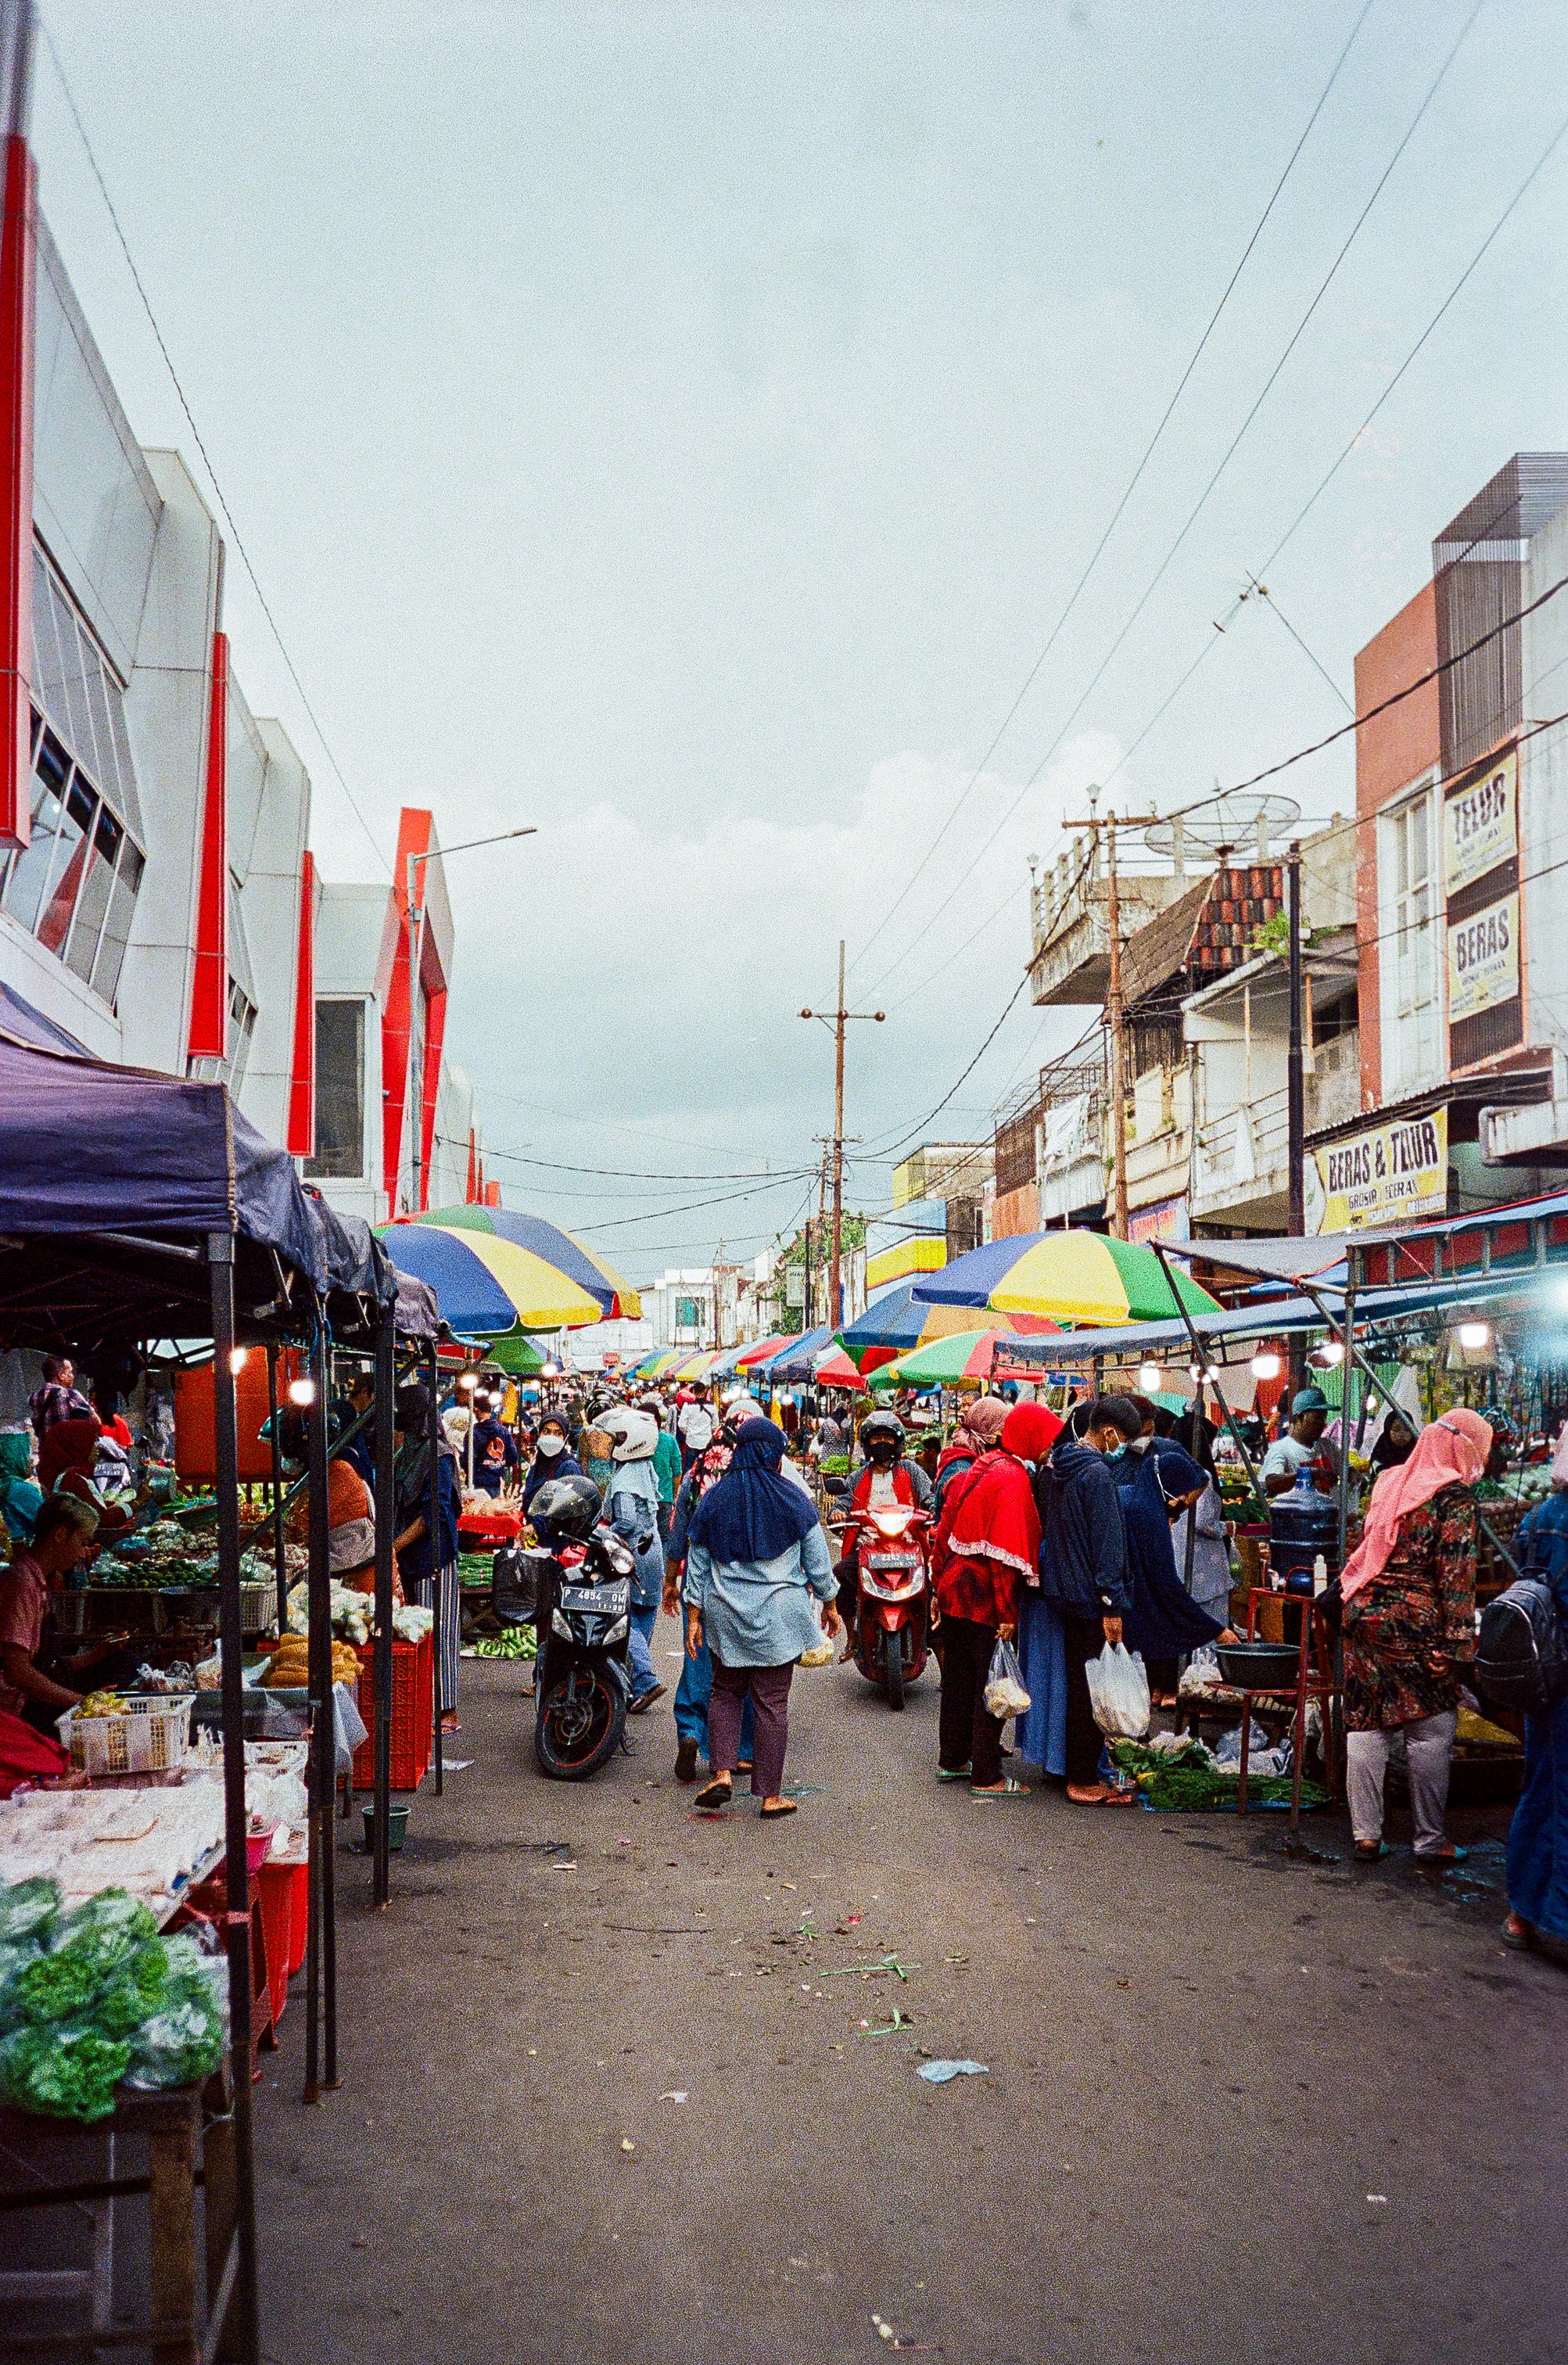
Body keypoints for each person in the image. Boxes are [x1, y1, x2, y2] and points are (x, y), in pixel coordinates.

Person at [1338, 1406, 1491, 1865]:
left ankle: (1366, 1835)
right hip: (1415, 1621)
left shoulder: (1389, 1481)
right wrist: (1458, 1645)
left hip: (1361, 1610)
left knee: (1367, 1720)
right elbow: (1456, 1574)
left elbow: (1364, 1543)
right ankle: (1429, 1840)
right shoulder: (1452, 1497)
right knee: (1431, 1727)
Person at [681, 1418, 839, 1818]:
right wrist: (831, 1604)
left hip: (725, 1613)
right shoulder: (793, 1499)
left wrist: (695, 1615)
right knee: (771, 1702)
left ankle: (721, 1775)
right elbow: (819, 1562)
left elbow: (697, 1565)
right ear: (773, 1453)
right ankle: (770, 1796)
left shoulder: (714, 1499)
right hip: (779, 1616)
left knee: (725, 1691)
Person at [931, 1401, 1061, 1796]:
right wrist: (1007, 1611)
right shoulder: (1012, 1478)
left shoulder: (981, 1465)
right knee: (992, 1683)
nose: (1049, 1448)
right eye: (1046, 1440)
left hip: (956, 1586)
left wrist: (938, 1584)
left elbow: (945, 1525)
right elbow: (1004, 1551)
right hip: (984, 1594)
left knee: (958, 1680)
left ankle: (953, 1759)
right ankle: (986, 1775)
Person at [1035, 1395, 1143, 1806]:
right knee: (1090, 1688)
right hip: (1089, 1596)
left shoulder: (1058, 1465)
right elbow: (1109, 1546)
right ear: (1110, 1433)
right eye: (1123, 1440)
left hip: (1062, 1588)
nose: (1122, 1448)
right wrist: (1112, 1605)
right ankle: (1082, 1778)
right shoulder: (1096, 1474)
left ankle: (1073, 1768)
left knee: (1077, 1681)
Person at [664, 1396, 760, 1782]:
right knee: (746, 1665)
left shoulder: (696, 1473)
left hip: (700, 1581)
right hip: (749, 1584)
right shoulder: (763, 1477)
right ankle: (743, 1750)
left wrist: (671, 1581)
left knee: (698, 1658)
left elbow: (677, 1537)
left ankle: (691, 1731)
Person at [1505, 1424, 1568, 1954]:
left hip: (1541, 1676)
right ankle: (1559, 1921)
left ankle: (1522, 1912)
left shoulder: (1542, 1515)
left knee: (1540, 1787)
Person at [1117, 1441, 1236, 1708]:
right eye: (1184, 1502)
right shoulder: (1149, 1516)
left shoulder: (1130, 1496)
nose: (1180, 1510)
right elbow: (1167, 1583)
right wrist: (1215, 1630)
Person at [0, 1495, 123, 1728]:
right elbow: (17, 1672)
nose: (82, 1553)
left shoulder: (37, 1581)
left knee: (122, 1664)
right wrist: (83, 1703)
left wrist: (98, 1654)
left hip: (32, 1697)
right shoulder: (22, 1582)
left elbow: (46, 1664)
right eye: (82, 1542)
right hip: (17, 1710)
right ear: (59, 1535)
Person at [264, 1407, 396, 1598]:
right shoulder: (324, 1471)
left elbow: (296, 1527)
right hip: (346, 1569)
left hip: (363, 1578)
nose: (282, 1456)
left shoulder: (337, 1472)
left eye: (284, 1448)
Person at [834, 1410, 934, 1660]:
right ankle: (852, 1636)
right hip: (870, 1544)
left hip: (909, 1543)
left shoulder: (911, 1470)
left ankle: (929, 1639)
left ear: (897, 1442)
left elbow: (929, 1498)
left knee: (931, 1585)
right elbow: (843, 1501)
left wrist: (933, 1510)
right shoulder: (858, 1476)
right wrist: (836, 1512)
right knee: (840, 1575)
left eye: (887, 1438)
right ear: (867, 1444)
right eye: (876, 1438)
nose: (882, 1443)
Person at [393, 1385, 463, 1733]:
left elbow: (434, 1513)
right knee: (415, 1633)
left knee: (443, 1631)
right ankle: (422, 1704)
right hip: (407, 1556)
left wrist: (394, 1546)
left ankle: (447, 1709)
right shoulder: (406, 1452)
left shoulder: (439, 1455)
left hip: (436, 1555)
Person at [598, 1405, 667, 1713]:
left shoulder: (626, 1476)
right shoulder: (646, 1469)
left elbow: (625, 1521)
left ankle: (645, 1679)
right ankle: (634, 1684)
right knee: (643, 1616)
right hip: (653, 1551)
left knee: (623, 1618)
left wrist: (603, 1537)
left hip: (633, 1553)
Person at [1170, 1409, 1235, 1634]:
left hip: (1176, 1561)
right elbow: (1204, 1521)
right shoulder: (1200, 1476)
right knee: (1209, 1633)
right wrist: (1228, 1527)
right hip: (1204, 1569)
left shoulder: (1166, 1471)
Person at [39, 1418, 132, 1541]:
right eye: (92, 1441)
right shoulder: (73, 1479)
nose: (97, 1447)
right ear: (78, 1445)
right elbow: (98, 1519)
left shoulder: (75, 1474)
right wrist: (136, 1504)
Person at [931, 1396, 1010, 1516]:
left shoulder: (972, 1457)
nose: (1001, 1439)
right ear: (987, 1432)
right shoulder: (962, 1470)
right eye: (999, 1433)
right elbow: (954, 1519)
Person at [1261, 1387, 1339, 1498]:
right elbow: (1271, 1483)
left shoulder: (1328, 1445)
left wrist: (1356, 1477)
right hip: (1297, 1514)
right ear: (1301, 1417)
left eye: (1324, 1418)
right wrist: (1309, 1473)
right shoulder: (1281, 1448)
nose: (1324, 1424)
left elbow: (1349, 1471)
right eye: (1318, 1418)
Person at [522, 1412, 579, 1510]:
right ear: (539, 1434)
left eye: (558, 1433)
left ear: (565, 1438)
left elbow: (565, 1509)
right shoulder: (536, 1466)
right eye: (546, 1431)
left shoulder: (570, 1467)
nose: (551, 1437)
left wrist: (536, 1525)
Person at [28, 1355, 89, 1445]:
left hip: (47, 1454)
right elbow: (95, 1420)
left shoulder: (33, 1397)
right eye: (70, 1372)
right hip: (68, 1454)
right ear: (61, 1375)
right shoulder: (71, 1395)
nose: (72, 1376)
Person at [647, 1401, 683, 1550]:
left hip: (662, 1498)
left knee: (659, 1537)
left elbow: (677, 1472)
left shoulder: (669, 1441)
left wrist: (673, 1496)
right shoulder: (669, 1441)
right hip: (650, 1498)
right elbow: (677, 1472)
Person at [0, 1433, 42, 1548]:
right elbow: (49, 1525)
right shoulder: (21, 1490)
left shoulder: (5, 1485)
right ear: (15, 1458)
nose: (31, 1462)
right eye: (27, 1455)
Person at [468, 1404, 519, 1498]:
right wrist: (499, 1463)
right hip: (498, 1484)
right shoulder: (503, 1431)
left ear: (476, 1410)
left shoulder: (473, 1433)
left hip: (478, 1484)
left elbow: (468, 1461)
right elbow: (513, 1457)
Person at [676, 1383, 716, 1471]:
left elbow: (681, 1424)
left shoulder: (687, 1406)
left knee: (689, 1468)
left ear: (693, 1391)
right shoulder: (712, 1406)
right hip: (706, 1441)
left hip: (691, 1441)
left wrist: (689, 1432)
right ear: (705, 1391)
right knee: (705, 1468)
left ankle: (689, 1484)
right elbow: (715, 1425)